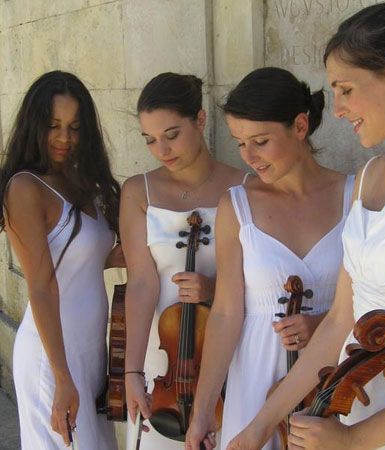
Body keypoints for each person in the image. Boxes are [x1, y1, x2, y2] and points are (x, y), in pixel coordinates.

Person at [223, 1, 385, 449]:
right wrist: (258, 427)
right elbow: (339, 322)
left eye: (346, 89)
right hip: (354, 415)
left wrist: (356, 440)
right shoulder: (369, 177)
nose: (339, 108)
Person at [185, 67, 355, 450]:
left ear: (299, 126)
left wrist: (325, 323)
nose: (249, 157)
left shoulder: (355, 194)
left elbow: (373, 298)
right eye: (240, 143)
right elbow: (227, 313)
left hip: (335, 375)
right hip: (256, 374)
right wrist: (203, 409)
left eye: (260, 141)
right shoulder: (237, 204)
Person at [120, 72, 246, 450]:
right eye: (150, 140)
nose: (161, 150)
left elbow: (259, 276)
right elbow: (142, 284)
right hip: (165, 355)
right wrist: (131, 370)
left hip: (226, 350)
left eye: (172, 135)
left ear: (201, 120)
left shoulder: (245, 185)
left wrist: (214, 289)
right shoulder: (137, 190)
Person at [0, 71, 122, 449]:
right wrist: (62, 376)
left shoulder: (85, 182)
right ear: (36, 126)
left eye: (74, 127)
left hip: (89, 355)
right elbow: (41, 283)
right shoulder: (25, 187)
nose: (65, 138)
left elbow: (91, 262)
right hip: (52, 360)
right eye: (54, 126)